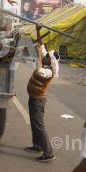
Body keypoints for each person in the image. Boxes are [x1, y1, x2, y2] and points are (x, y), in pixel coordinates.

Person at [25, 26, 60, 163]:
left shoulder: (49, 71)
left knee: (39, 125)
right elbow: (41, 44)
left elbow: (39, 71)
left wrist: (39, 54)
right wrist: (38, 30)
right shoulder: (45, 59)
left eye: (46, 57)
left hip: (38, 101)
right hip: (33, 98)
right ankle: (37, 145)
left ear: (49, 61)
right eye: (45, 55)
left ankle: (48, 153)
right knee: (34, 123)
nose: (44, 56)